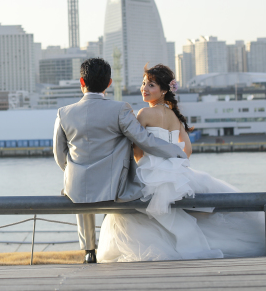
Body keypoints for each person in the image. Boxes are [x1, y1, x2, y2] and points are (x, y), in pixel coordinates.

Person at [97, 63, 266, 262]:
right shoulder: (173, 116)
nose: (144, 88)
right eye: (144, 83)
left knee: (131, 212)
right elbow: (187, 150)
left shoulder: (144, 113)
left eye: (151, 85)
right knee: (180, 213)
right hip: (177, 172)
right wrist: (173, 165)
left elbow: (137, 149)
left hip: (150, 172)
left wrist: (146, 165)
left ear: (164, 90)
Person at [53, 58, 188, 263]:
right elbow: (144, 139)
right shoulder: (120, 109)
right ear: (109, 83)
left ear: (81, 81)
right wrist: (175, 152)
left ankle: (89, 250)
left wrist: (73, 169)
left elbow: (59, 154)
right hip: (115, 186)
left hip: (77, 186)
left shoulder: (63, 113)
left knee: (80, 183)